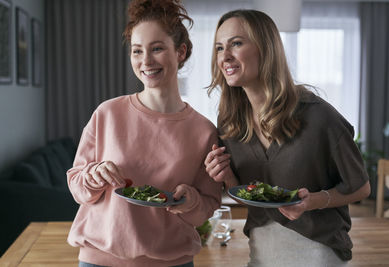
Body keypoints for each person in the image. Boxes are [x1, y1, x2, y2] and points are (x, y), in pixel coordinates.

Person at [204, 9, 370, 267]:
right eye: (218, 47)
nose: (225, 56)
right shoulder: (230, 122)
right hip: (261, 251)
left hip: (318, 252)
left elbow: (361, 186)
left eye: (236, 43)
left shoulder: (319, 117)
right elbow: (245, 196)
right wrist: (225, 176)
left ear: (265, 48)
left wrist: (311, 202)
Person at [67, 1, 222, 266]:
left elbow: (206, 208)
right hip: (99, 260)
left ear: (181, 52)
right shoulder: (107, 113)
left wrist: (190, 202)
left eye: (157, 48)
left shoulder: (204, 131)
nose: (146, 61)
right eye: (137, 51)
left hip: (172, 261)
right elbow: (77, 186)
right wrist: (94, 176)